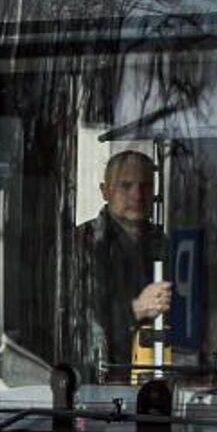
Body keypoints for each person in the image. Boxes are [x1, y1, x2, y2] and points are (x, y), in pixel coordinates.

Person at [71, 149, 170, 378]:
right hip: (98, 381)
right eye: (126, 186)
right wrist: (136, 308)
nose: (137, 195)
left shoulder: (165, 244)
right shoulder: (80, 245)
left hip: (160, 377)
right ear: (105, 191)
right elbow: (76, 326)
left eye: (145, 186)